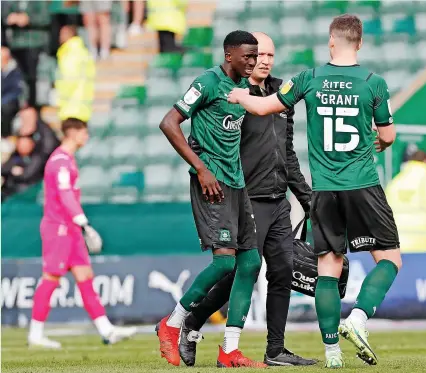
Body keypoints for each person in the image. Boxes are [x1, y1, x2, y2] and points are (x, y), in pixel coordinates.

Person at [228, 15, 402, 368]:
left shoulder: (309, 78)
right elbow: (387, 135)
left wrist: (236, 94)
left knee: (328, 268)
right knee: (390, 259)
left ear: (331, 42)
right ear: (360, 43)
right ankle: (357, 320)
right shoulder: (374, 83)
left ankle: (332, 354)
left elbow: (262, 106)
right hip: (363, 185)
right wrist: (379, 142)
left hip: (324, 190)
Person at [178, 32, 315, 367]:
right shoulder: (233, 95)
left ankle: (275, 349)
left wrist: (306, 197)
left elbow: (287, 153)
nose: (264, 61)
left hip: (277, 198)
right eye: (259, 54)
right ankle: (191, 322)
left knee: (283, 271)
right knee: (235, 276)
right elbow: (214, 144)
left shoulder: (283, 96)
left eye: (270, 55)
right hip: (245, 198)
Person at [156, 30, 266, 368]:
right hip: (211, 183)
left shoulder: (244, 90)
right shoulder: (206, 83)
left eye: (256, 56)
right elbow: (168, 122)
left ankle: (230, 349)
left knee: (250, 262)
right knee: (225, 263)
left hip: (236, 184)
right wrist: (201, 168)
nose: (253, 62)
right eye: (248, 56)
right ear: (229, 53)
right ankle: (171, 324)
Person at [27, 118, 137, 349]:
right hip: (59, 229)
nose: (86, 137)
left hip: (71, 230)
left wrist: (79, 227)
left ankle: (106, 330)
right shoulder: (60, 162)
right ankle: (35, 335)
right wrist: (85, 223)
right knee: (51, 278)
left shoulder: (66, 160)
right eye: (84, 133)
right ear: (73, 133)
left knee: (85, 278)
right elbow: (65, 196)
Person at [1, 0, 50, 109]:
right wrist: (10, 18)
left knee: (31, 78)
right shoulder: (13, 3)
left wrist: (29, 19)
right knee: (15, 77)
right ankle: (17, 104)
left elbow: (45, 18)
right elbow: (4, 16)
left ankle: (31, 105)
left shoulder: (38, 2)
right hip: (16, 45)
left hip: (33, 44)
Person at [55, 25, 95, 124]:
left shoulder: (70, 54)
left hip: (71, 108)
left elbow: (68, 80)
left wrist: (57, 97)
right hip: (83, 108)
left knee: (71, 138)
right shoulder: (83, 52)